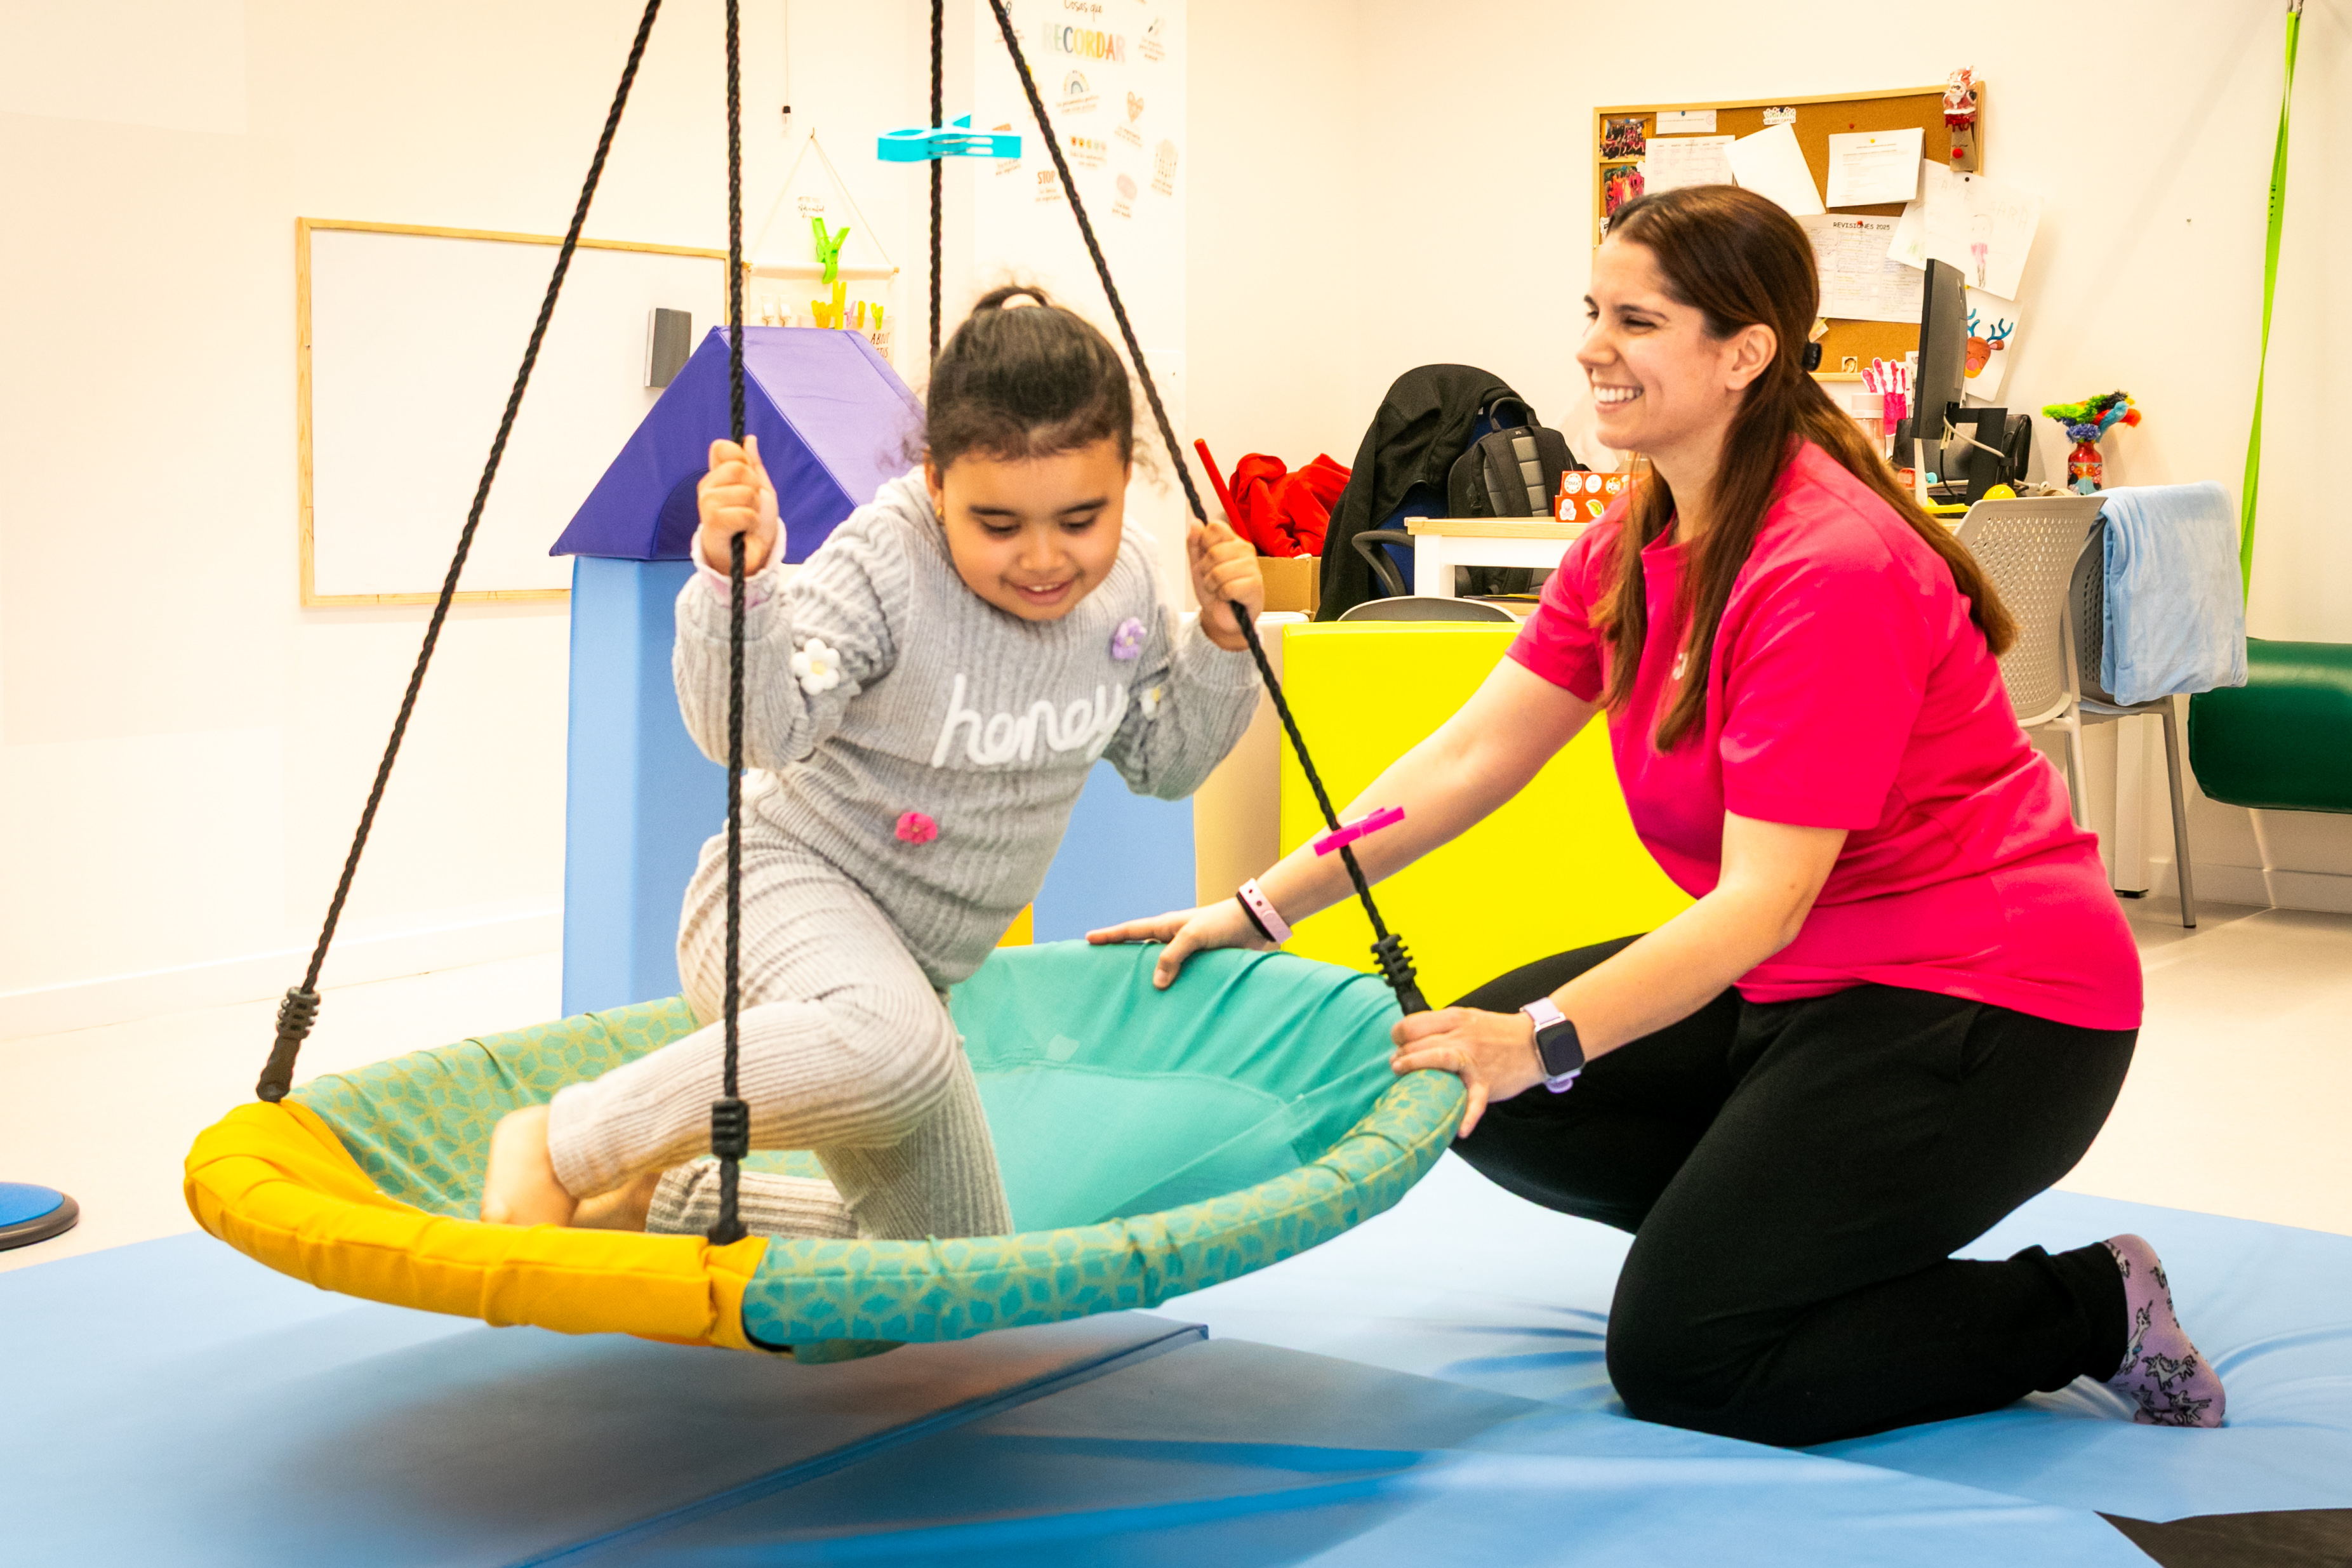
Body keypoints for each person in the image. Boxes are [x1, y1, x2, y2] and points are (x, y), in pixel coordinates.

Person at [1089, 186, 2224, 1446]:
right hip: (1805, 981)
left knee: (1687, 1354)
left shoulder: (1826, 566)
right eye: (1591, 311)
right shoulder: (1637, 538)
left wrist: (1538, 1037)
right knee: (1446, 1077)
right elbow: (1469, 755)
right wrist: (1254, 905)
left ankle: (2086, 1303)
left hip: (1988, 1004)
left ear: (1741, 353)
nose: (1588, 347)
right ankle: (1762, 1236)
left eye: (1634, 319)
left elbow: (1760, 898)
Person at [480, 285, 1266, 1242]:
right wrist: (741, 580)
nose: (1043, 559)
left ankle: (657, 1207)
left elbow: (1163, 761)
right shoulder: (891, 561)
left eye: (1079, 518)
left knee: (948, 1269)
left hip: (907, 987)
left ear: (1123, 481)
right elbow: (756, 731)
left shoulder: (1128, 586)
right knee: (895, 1044)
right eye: (998, 524)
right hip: (778, 897)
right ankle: (565, 1143)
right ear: (936, 483)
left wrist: (1225, 647)